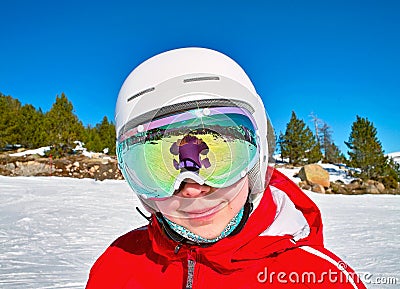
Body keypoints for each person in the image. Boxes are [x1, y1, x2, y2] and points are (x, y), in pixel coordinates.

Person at [86, 47, 366, 288]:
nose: (193, 188)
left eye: (219, 157)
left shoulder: (319, 278)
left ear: (257, 158)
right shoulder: (116, 267)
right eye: (160, 165)